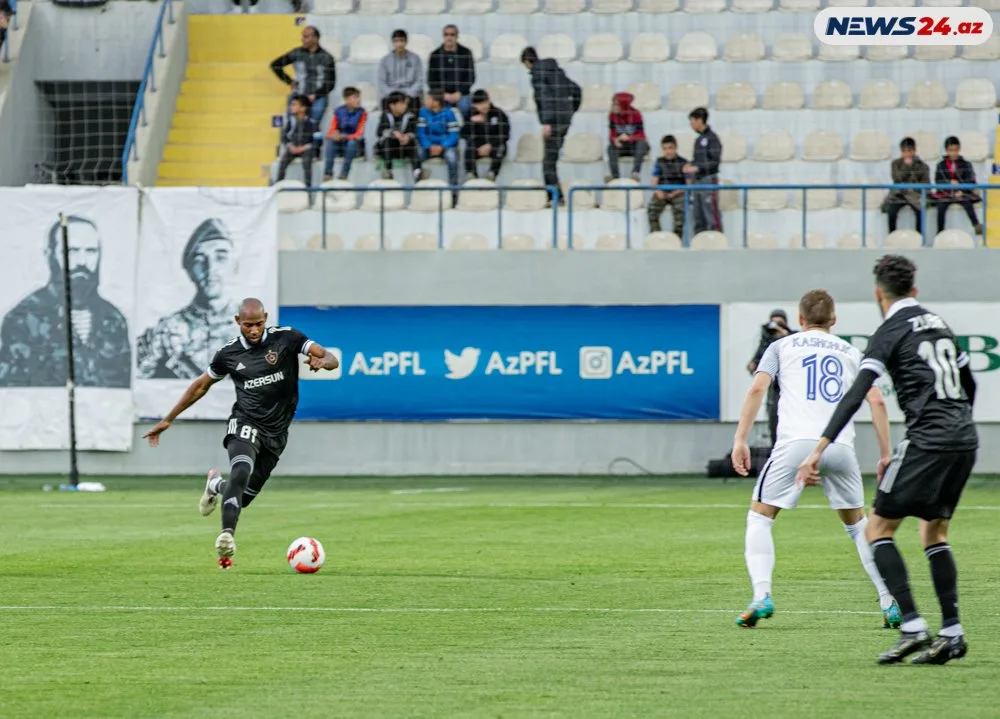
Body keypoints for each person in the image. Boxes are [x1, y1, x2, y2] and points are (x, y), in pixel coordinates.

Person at [796, 255, 978, 665]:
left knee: (877, 528)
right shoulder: (939, 324)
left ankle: (912, 628)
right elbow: (970, 383)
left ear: (879, 293)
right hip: (964, 439)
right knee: (934, 534)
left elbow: (857, 392)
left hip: (927, 440)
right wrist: (958, 424)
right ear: (914, 290)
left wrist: (819, 448)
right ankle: (952, 632)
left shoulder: (889, 331)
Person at [732, 290, 899, 630]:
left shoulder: (780, 347)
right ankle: (889, 599)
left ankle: (761, 595)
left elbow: (756, 389)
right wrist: (885, 454)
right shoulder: (852, 352)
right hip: (839, 446)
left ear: (800, 319)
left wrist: (740, 440)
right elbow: (877, 401)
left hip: (795, 443)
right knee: (858, 526)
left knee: (760, 518)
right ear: (834, 320)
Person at [144, 298, 340, 569]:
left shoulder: (288, 338)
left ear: (266, 318)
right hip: (245, 422)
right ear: (238, 322)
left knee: (243, 497)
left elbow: (331, 358)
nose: (254, 330)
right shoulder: (228, 354)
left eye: (259, 324)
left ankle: (215, 485)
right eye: (248, 325)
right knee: (240, 471)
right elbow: (201, 386)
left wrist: (322, 362)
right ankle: (227, 536)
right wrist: (169, 419)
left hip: (277, 432)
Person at [0, 215, 131, 388]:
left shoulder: (113, 318)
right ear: (50, 254)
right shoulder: (24, 318)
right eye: (71, 251)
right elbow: (13, 391)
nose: (82, 261)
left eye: (91, 251)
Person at [136, 218, 240, 380]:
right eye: (199, 259)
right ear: (189, 268)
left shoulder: (256, 330)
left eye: (221, 257)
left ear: (235, 265)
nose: (210, 268)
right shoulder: (164, 334)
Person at [520, 46, 581, 205]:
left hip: (553, 122)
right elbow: (576, 90)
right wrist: (570, 111)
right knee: (551, 159)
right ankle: (556, 195)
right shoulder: (557, 72)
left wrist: (547, 122)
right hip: (565, 120)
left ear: (527, 62)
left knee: (548, 162)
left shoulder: (537, 75)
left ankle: (555, 196)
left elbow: (544, 99)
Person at [270, 26, 337, 126]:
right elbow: (275, 65)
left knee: (313, 124)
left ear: (315, 39)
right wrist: (289, 81)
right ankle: (286, 141)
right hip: (299, 94)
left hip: (318, 96)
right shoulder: (296, 53)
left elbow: (331, 83)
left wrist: (316, 95)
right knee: (290, 122)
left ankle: (312, 141)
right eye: (302, 36)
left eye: (306, 37)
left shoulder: (327, 58)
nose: (302, 39)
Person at [747, 309, 795, 447]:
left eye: (779, 323)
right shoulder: (767, 342)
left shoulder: (794, 338)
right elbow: (754, 364)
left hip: (791, 390)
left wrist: (783, 334)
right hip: (775, 391)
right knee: (774, 424)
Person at [683, 107, 723, 233]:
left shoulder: (713, 139)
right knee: (698, 215)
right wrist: (689, 166)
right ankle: (699, 242)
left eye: (692, 121)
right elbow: (697, 160)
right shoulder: (698, 140)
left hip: (708, 180)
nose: (691, 124)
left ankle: (716, 241)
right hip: (697, 181)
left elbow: (715, 162)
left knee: (711, 213)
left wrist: (697, 168)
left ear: (700, 120)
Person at [932, 136, 982, 236]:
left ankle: (976, 225)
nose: (953, 153)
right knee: (941, 206)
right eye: (951, 150)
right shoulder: (941, 165)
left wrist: (961, 190)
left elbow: (971, 181)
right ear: (946, 150)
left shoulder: (966, 164)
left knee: (967, 203)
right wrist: (949, 186)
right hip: (946, 194)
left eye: (955, 150)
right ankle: (940, 232)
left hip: (962, 193)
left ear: (959, 149)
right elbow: (938, 181)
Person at [427, 24, 476, 120]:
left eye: (452, 35)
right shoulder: (435, 55)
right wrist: (443, 94)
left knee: (464, 106)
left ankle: (461, 132)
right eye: (446, 34)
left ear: (457, 36)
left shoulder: (466, 53)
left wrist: (459, 93)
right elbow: (431, 80)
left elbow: (470, 77)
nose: (449, 37)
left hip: (461, 94)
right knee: (437, 106)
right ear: (443, 36)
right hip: (442, 94)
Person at [883, 137, 930, 235]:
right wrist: (906, 166)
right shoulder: (895, 164)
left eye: (909, 151)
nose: (907, 154)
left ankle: (919, 238)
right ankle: (892, 237)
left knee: (920, 211)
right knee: (891, 211)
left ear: (914, 151)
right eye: (904, 151)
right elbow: (897, 179)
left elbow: (926, 184)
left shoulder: (923, 166)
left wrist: (913, 188)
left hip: (915, 195)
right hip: (899, 194)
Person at [461, 89, 510, 181]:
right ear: (474, 105)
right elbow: (463, 134)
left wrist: (490, 145)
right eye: (479, 104)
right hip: (478, 145)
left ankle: (492, 173)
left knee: (501, 147)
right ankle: (471, 175)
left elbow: (505, 134)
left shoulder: (499, 114)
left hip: (495, 144)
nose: (483, 106)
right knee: (469, 147)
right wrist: (471, 122)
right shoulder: (471, 115)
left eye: (485, 103)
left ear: (488, 101)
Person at [417, 90, 461, 189]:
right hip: (429, 146)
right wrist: (428, 146)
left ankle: (453, 189)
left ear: (436, 102)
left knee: (452, 158)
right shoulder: (423, 112)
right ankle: (417, 184)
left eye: (428, 99)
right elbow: (421, 133)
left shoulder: (450, 113)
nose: (425, 101)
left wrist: (443, 146)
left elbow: (454, 135)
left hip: (446, 146)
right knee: (417, 155)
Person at [322, 86, 367, 181]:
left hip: (356, 146)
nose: (358, 100)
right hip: (341, 143)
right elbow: (331, 130)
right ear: (346, 100)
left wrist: (346, 136)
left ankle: (344, 174)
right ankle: (328, 174)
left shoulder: (362, 113)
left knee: (351, 143)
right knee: (331, 142)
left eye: (358, 97)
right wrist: (334, 135)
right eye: (355, 97)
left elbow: (360, 134)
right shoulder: (338, 111)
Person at [375, 91, 421, 180]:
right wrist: (393, 133)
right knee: (387, 142)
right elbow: (379, 132)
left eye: (405, 104)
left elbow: (414, 131)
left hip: (404, 146)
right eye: (401, 104)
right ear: (392, 106)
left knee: (413, 144)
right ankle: (388, 171)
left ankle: (417, 171)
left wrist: (407, 136)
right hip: (390, 148)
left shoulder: (410, 116)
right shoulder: (385, 116)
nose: (405, 106)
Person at [647, 135, 688, 237]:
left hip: (678, 192)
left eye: (670, 148)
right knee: (651, 210)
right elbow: (654, 182)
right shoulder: (659, 162)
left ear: (675, 148)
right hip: (662, 192)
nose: (668, 151)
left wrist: (675, 193)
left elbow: (688, 184)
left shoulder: (683, 162)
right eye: (665, 148)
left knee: (680, 212)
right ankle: (657, 237)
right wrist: (658, 191)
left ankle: (676, 240)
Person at [275, 95, 320, 185]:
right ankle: (278, 187)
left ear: (303, 108)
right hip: (293, 148)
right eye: (292, 105)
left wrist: (304, 147)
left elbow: (318, 140)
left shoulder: (313, 122)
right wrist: (291, 146)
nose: (292, 107)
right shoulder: (290, 121)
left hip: (306, 149)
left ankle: (308, 190)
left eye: (295, 105)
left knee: (307, 163)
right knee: (283, 162)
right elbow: (284, 137)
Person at [605, 92, 648, 183]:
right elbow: (611, 134)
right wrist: (615, 140)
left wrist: (630, 137)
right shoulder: (612, 116)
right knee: (610, 148)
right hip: (621, 146)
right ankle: (615, 177)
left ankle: (635, 173)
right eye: (613, 104)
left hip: (634, 146)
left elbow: (642, 135)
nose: (614, 107)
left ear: (623, 104)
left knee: (642, 144)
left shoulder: (636, 114)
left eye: (616, 104)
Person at [378, 29, 424, 114]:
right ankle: (388, 127)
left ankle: (411, 127)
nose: (399, 44)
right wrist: (394, 97)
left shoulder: (415, 58)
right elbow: (382, 83)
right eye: (396, 41)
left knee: (415, 103)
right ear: (392, 43)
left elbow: (419, 81)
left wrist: (406, 95)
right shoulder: (385, 60)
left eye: (401, 41)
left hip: (409, 95)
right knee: (385, 103)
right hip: (391, 95)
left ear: (406, 42)